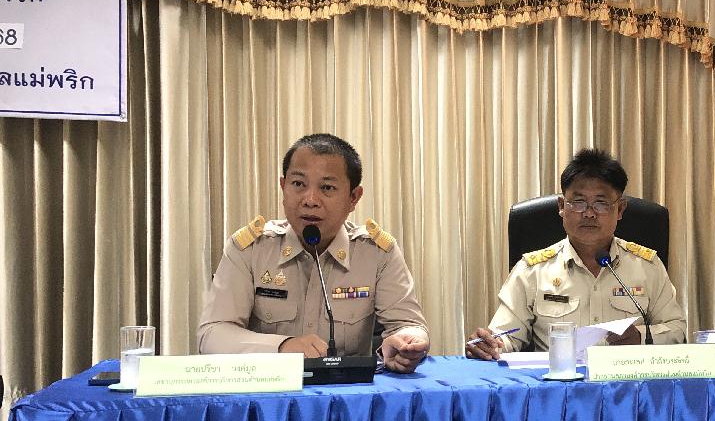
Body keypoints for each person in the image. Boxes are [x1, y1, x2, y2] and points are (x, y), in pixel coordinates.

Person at [197, 133, 430, 373]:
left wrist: (406, 342)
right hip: (269, 391)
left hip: (347, 393)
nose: (310, 200)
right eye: (298, 184)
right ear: (283, 187)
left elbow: (409, 324)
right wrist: (281, 347)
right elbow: (212, 334)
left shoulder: (377, 254)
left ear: (353, 198)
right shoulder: (250, 249)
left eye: (327, 187)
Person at [465, 148, 687, 358]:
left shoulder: (647, 266)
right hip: (558, 382)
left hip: (627, 382)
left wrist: (641, 336)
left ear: (620, 209)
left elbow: (677, 330)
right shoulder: (532, 271)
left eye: (601, 203)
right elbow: (506, 337)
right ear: (562, 206)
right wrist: (489, 345)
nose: (589, 214)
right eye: (579, 202)